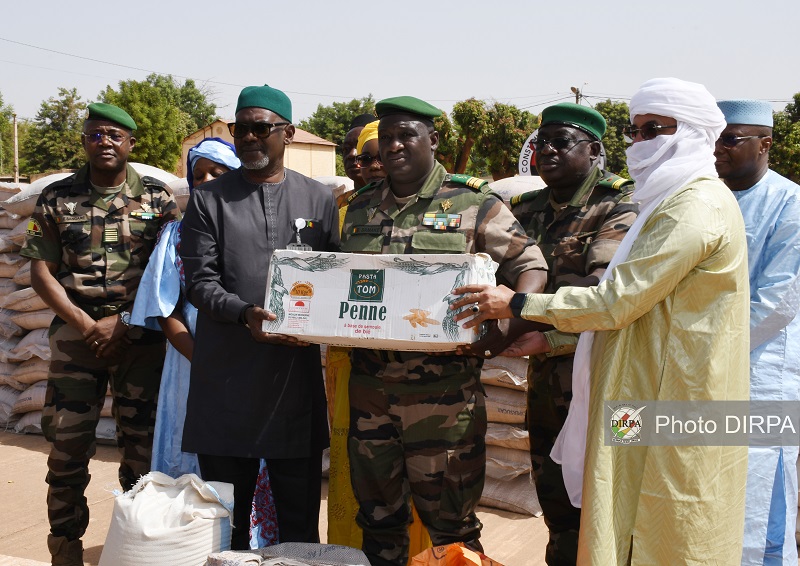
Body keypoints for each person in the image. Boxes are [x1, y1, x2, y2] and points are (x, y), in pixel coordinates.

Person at [452, 78, 750, 564]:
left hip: (676, 396)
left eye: (656, 128)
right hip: (636, 389)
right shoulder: (670, 200)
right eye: (636, 130)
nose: (640, 142)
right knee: (610, 505)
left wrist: (519, 305)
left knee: (671, 515)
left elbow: (615, 301)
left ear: (694, 132)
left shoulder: (692, 206)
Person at [340, 95, 548, 566]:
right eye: (387, 136)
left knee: (453, 529)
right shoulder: (360, 206)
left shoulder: (473, 202)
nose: (394, 145)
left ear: (433, 140)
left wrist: (506, 327)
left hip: (444, 396)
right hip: (371, 391)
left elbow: (531, 265)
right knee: (377, 520)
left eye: (405, 135)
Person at [179, 84, 339, 550]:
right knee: (225, 524)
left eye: (259, 128)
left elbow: (333, 274)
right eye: (239, 128)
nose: (247, 137)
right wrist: (245, 313)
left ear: (286, 133)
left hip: (293, 383)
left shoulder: (318, 199)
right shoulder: (210, 199)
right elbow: (200, 282)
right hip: (227, 381)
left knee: (299, 520)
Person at [20, 102, 180, 565]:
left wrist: (126, 320)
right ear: (84, 141)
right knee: (68, 450)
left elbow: (167, 273)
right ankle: (65, 549)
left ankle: (133, 549)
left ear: (130, 143)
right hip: (77, 339)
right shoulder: (56, 198)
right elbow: (41, 273)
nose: (104, 142)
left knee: (143, 451)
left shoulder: (158, 198)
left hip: (141, 337)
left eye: (114, 135)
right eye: (95, 134)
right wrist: (86, 324)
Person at [130, 137, 279, 547]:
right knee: (196, 464)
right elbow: (166, 311)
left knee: (251, 460)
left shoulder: (264, 227)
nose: (208, 181)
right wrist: (206, 359)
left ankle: (252, 545)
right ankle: (188, 546)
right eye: (199, 175)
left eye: (218, 172)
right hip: (192, 367)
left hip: (255, 364)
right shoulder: (176, 234)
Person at [507, 102, 637, 565]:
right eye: (541, 143)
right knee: (555, 494)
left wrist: (527, 317)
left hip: (605, 376)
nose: (547, 152)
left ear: (594, 150)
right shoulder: (524, 209)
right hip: (547, 379)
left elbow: (600, 293)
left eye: (561, 142)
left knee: (607, 496)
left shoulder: (617, 207)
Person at [715, 99, 800, 565]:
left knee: (760, 508)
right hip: (704, 376)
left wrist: (706, 351)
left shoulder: (790, 203)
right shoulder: (707, 198)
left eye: (731, 138)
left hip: (761, 376)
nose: (718, 148)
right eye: (714, 137)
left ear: (765, 144)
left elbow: (776, 303)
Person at [343, 113, 377, 191]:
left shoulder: (401, 200)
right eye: (346, 148)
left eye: (360, 146)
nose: (351, 154)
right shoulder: (339, 202)